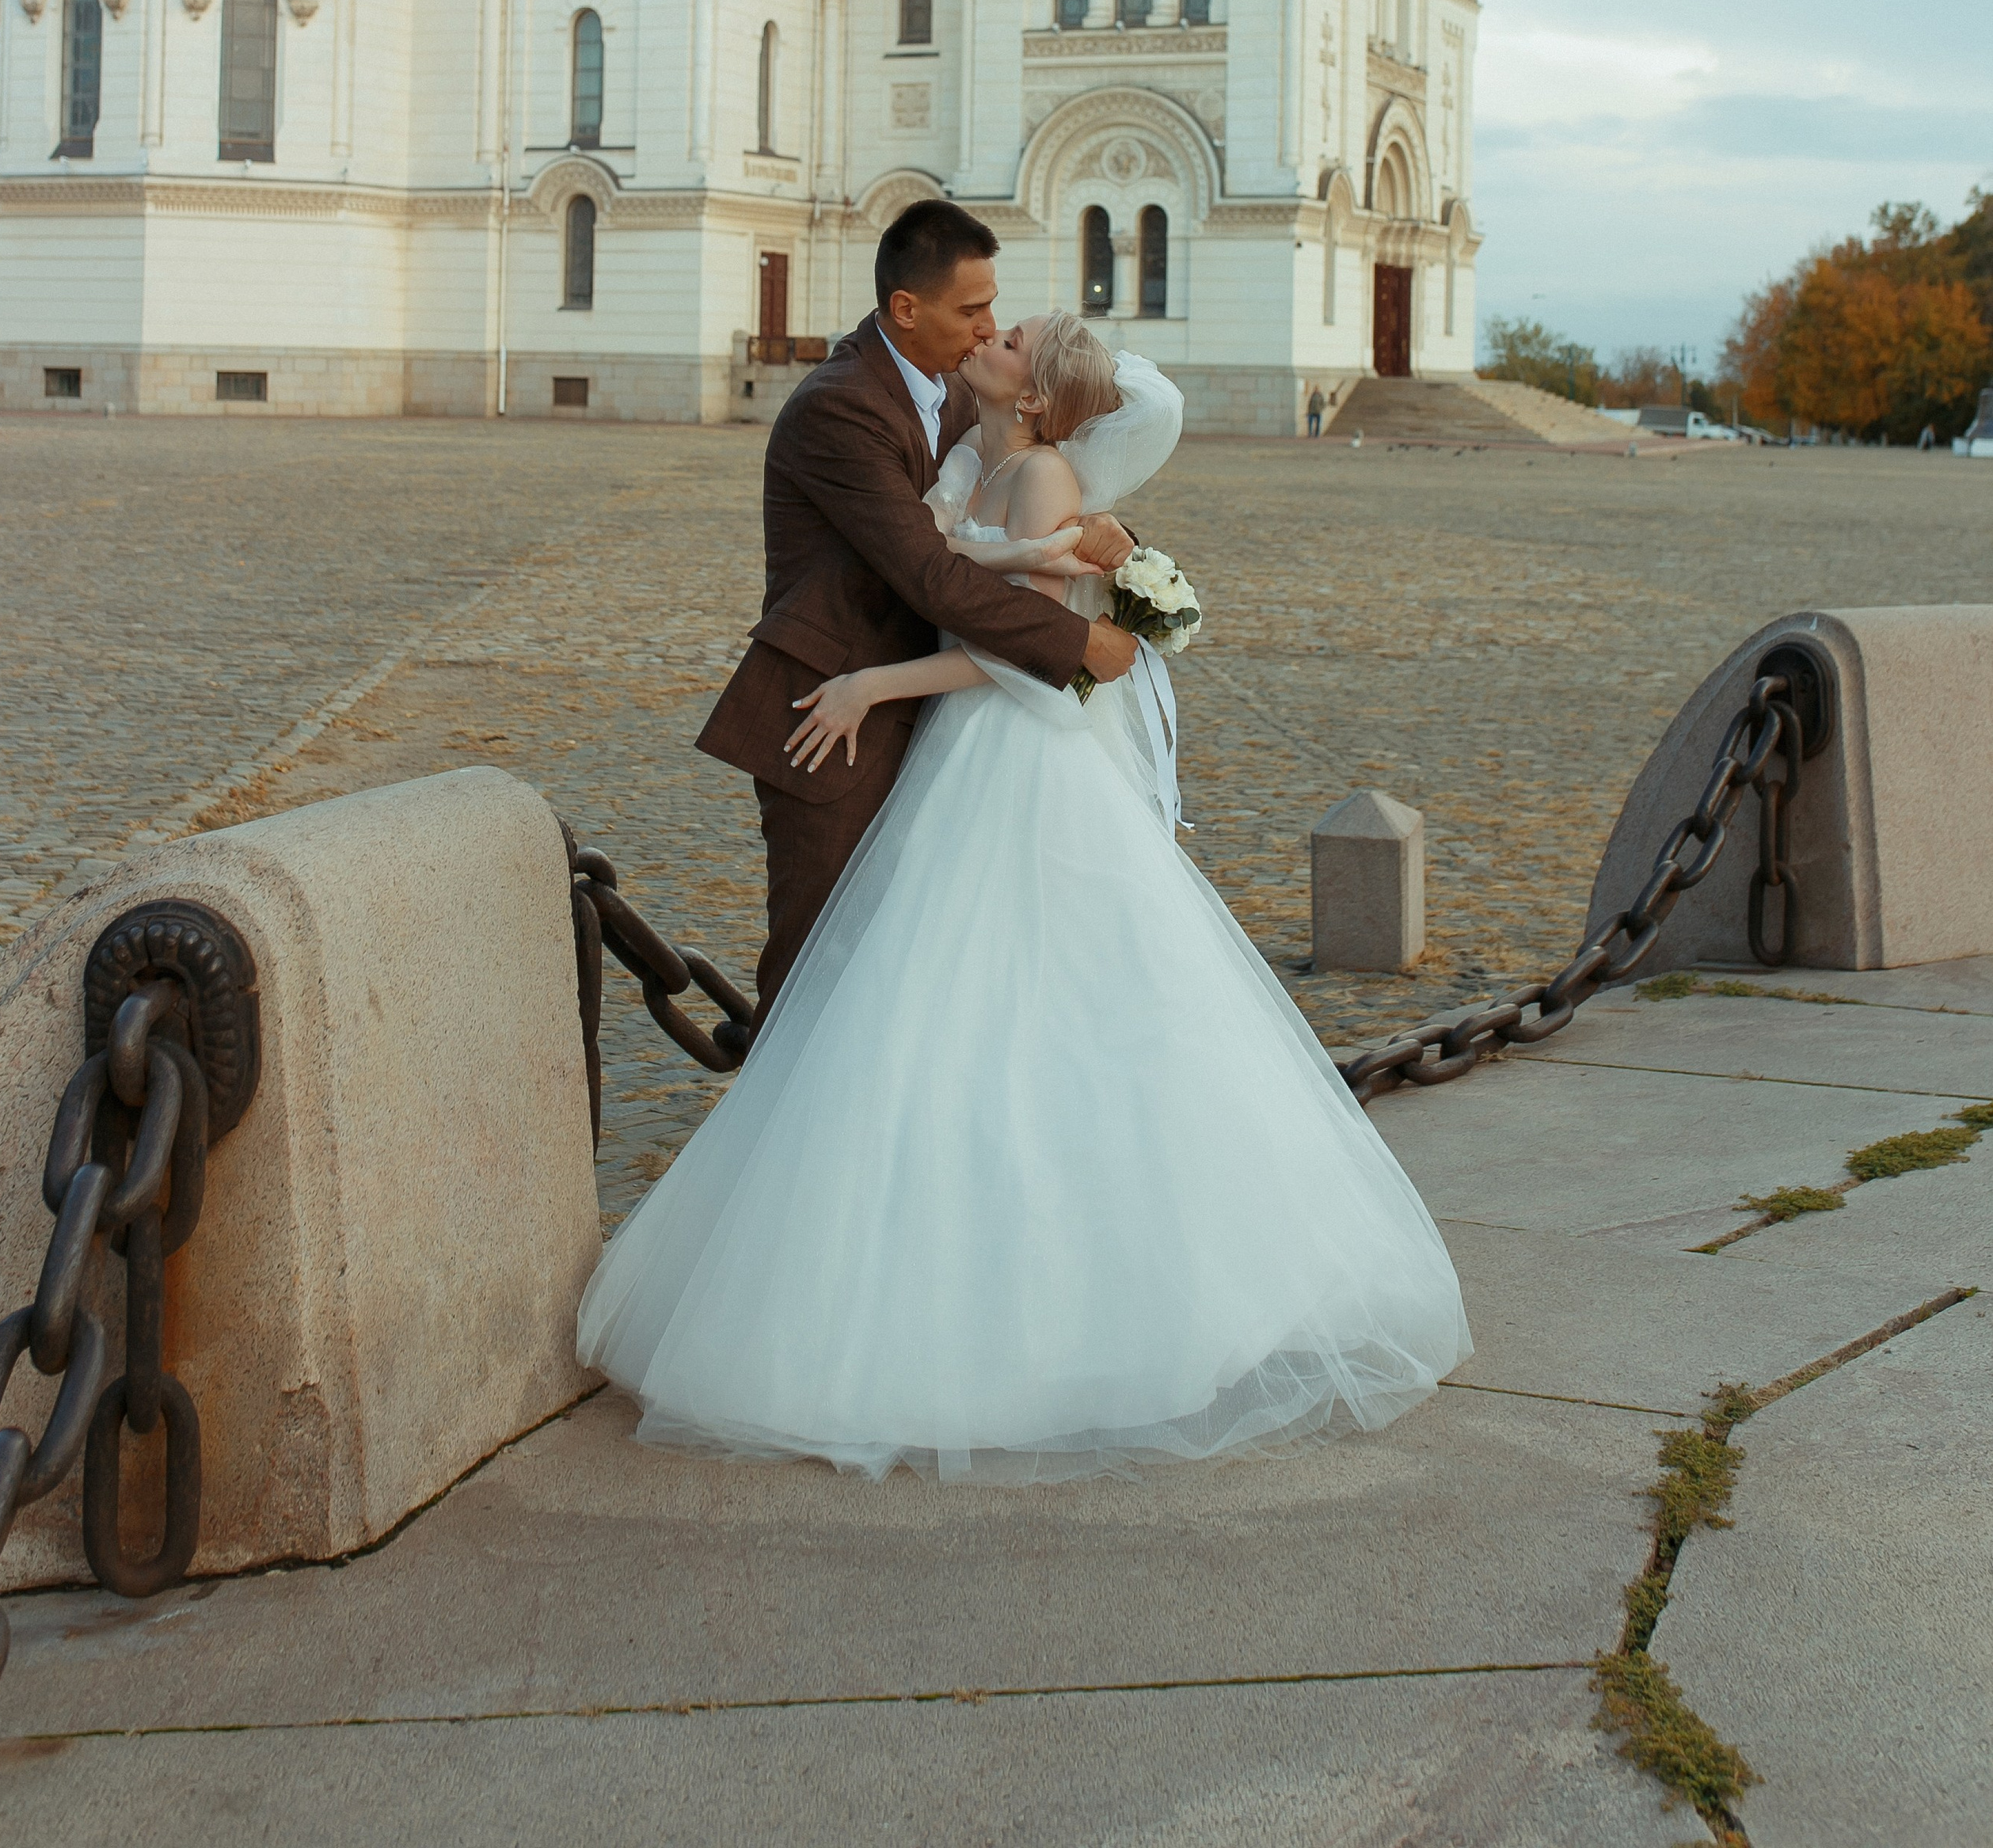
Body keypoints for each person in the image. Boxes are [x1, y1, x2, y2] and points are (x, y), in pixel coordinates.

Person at [580, 308, 1473, 1483]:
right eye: (996, 322)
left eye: (1016, 338)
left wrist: (870, 682)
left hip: (1021, 757)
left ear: (1040, 398)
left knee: (1022, 1001)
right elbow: (966, 568)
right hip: (980, 753)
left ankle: (1077, 1313)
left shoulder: (1042, 470)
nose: (993, 333)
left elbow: (1023, 654)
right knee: (954, 1005)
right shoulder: (987, 455)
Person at [695, 200, 1139, 1024]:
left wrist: (1108, 545)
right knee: (818, 970)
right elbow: (928, 574)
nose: (987, 328)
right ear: (907, 308)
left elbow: (1030, 492)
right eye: (973, 311)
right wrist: (1079, 640)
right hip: (834, 711)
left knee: (914, 975)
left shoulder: (962, 396)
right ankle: (794, 1148)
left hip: (941, 711)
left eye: (995, 313)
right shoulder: (842, 406)